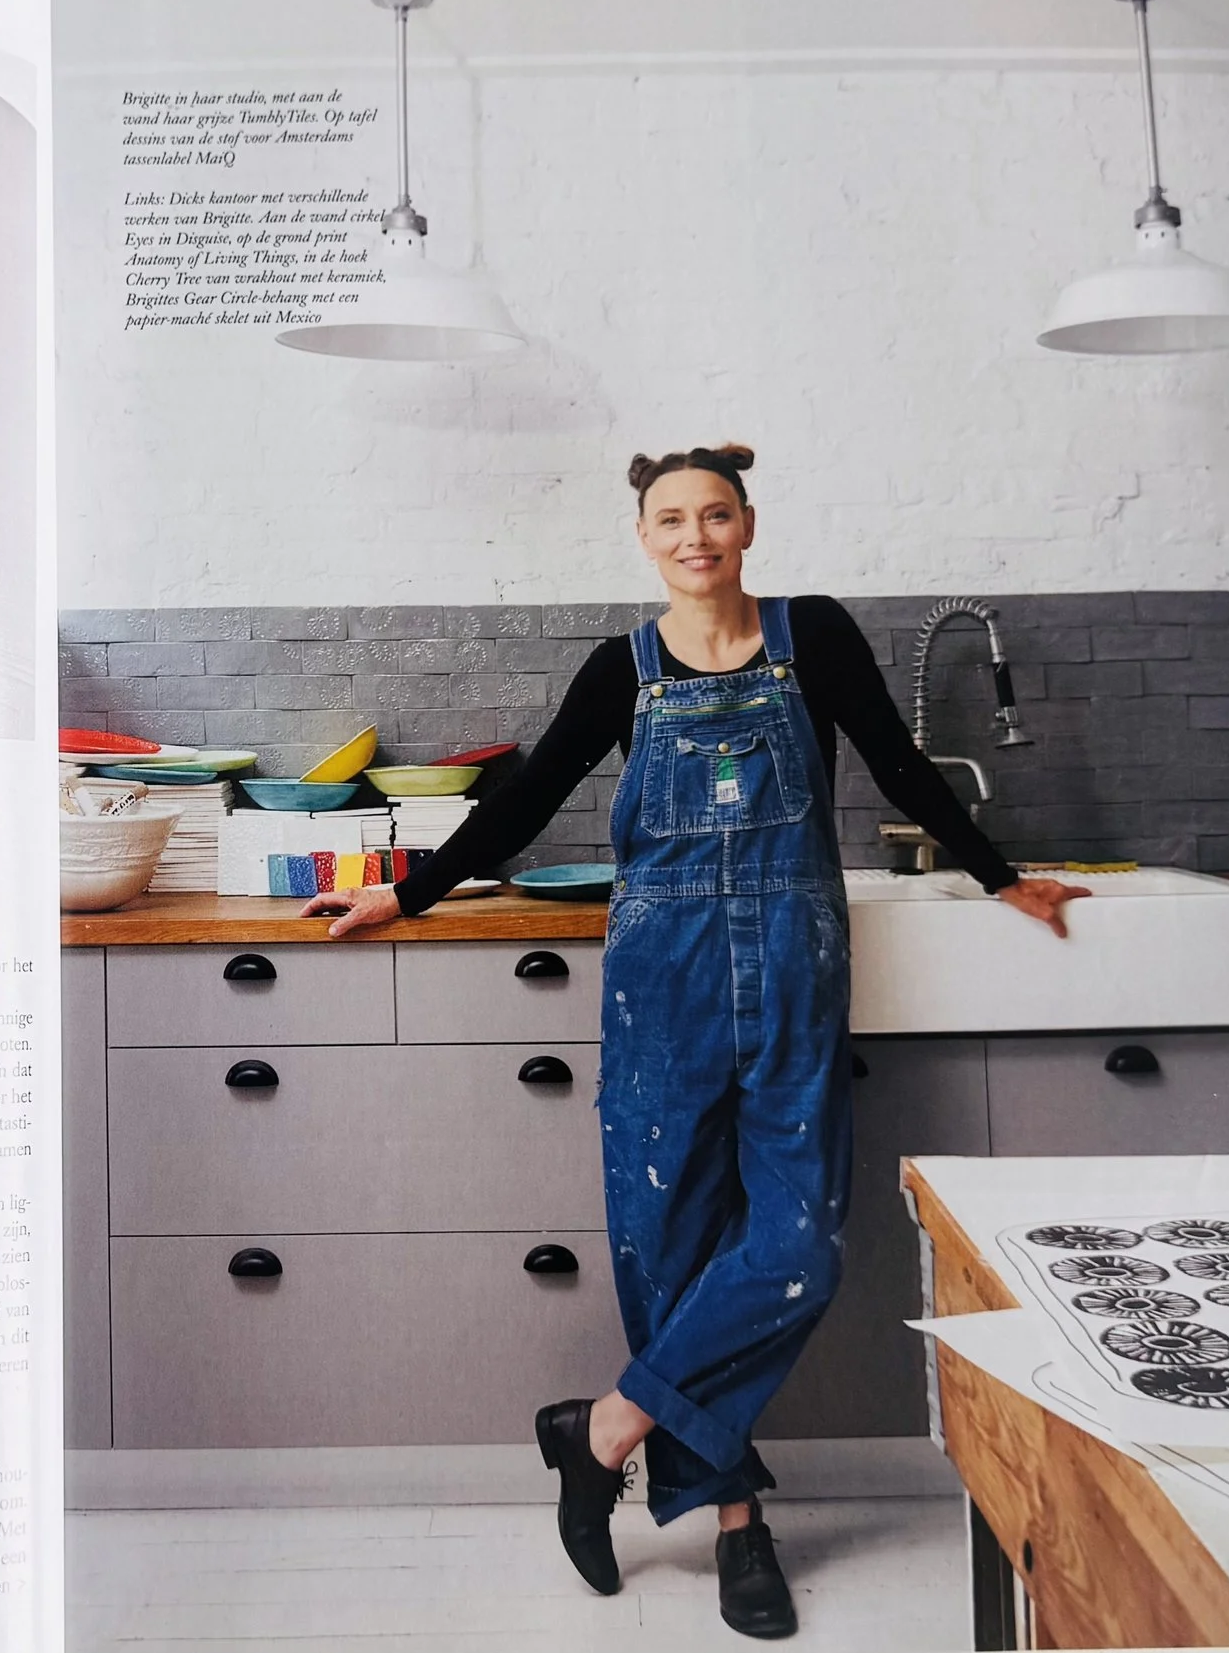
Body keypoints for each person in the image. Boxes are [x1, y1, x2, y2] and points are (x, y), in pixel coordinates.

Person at [304, 444, 1086, 1639]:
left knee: (798, 1246)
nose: (694, 536)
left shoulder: (810, 634)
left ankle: (602, 1428)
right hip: (661, 986)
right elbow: (520, 801)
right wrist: (406, 891)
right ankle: (736, 1524)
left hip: (791, 973)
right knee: (669, 1251)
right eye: (670, 518)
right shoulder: (616, 670)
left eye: (713, 514)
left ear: (748, 522)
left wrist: (999, 878)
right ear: (643, 536)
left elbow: (897, 765)